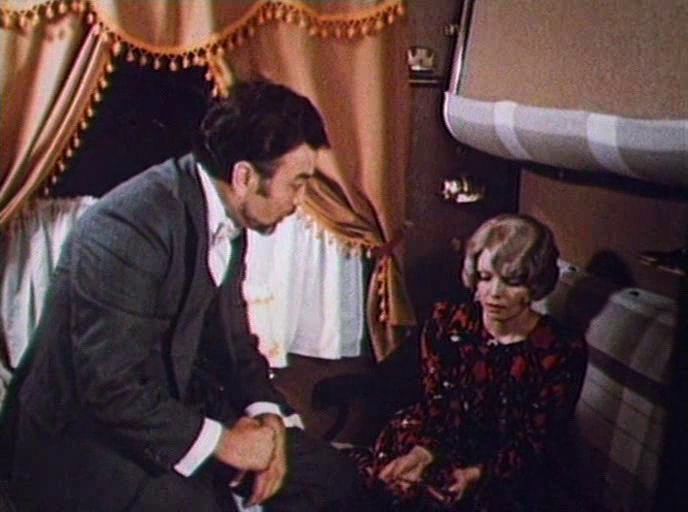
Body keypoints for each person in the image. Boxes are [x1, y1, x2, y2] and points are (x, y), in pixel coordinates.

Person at [8, 80, 362, 511]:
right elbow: (108, 386)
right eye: (298, 183)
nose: (300, 201)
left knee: (331, 476)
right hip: (84, 444)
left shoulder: (228, 216)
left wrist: (269, 418)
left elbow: (234, 344)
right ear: (245, 177)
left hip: (165, 412)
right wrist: (226, 443)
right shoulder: (132, 224)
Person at [350, 214, 588, 511]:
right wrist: (422, 453)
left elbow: (538, 442)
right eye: (486, 277)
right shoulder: (449, 323)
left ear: (535, 284)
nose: (494, 293)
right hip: (440, 444)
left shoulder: (561, 348)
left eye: (512, 281)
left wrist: (476, 474)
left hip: (510, 470)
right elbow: (437, 408)